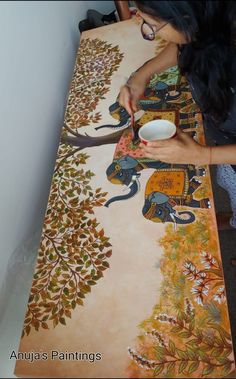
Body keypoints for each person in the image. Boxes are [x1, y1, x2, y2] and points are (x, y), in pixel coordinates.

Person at [118, 0, 236, 230]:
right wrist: (141, 75)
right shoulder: (209, 22)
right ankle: (233, 219)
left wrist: (205, 156)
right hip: (226, 141)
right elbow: (184, 43)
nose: (148, 30)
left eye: (152, 25)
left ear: (185, 19)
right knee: (228, 183)